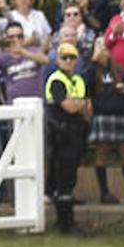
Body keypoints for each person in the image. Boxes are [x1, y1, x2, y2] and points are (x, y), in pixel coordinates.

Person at [46, 42, 92, 234]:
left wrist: (78, 104)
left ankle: (64, 220)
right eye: (64, 58)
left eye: (72, 58)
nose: (68, 61)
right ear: (58, 60)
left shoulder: (79, 80)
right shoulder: (56, 80)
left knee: (69, 179)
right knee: (62, 180)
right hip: (61, 135)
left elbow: (89, 108)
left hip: (76, 133)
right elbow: (70, 107)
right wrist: (79, 104)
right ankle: (66, 223)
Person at [88, 39, 124, 204]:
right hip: (102, 115)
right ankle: (104, 193)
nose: (103, 51)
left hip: (119, 114)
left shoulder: (117, 69)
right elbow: (87, 86)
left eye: (105, 47)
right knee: (102, 152)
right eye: (99, 47)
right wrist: (92, 61)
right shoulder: (91, 70)